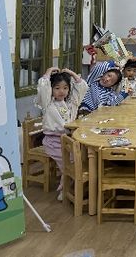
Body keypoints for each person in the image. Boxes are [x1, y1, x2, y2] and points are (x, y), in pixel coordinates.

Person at [36, 67, 88, 201]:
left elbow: (82, 87)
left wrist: (71, 73)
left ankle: (68, 186)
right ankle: (64, 190)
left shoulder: (70, 104)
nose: (61, 91)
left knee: (75, 162)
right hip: (53, 142)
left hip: (68, 141)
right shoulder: (48, 104)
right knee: (68, 165)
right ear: (51, 89)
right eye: (57, 88)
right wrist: (48, 72)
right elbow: (43, 87)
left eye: (65, 88)